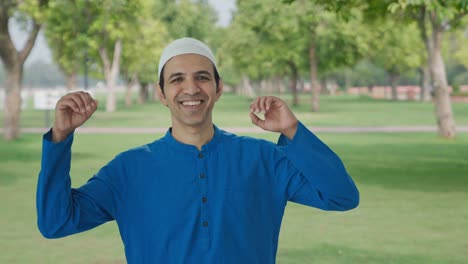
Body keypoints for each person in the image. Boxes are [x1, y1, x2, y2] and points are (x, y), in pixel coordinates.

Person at [37, 37, 359, 263]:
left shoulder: (264, 159)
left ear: (218, 88)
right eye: (177, 79)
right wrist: (61, 136)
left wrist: (291, 129)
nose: (191, 89)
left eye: (202, 78)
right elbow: (55, 222)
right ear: (162, 94)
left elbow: (341, 196)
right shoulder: (128, 170)